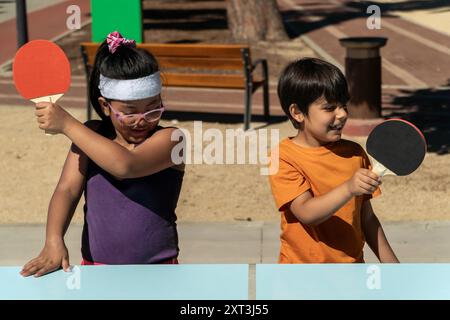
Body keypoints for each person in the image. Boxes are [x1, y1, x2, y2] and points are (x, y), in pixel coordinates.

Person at [21, 31, 185, 277]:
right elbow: (67, 189)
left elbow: (126, 166)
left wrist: (67, 124)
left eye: (153, 110)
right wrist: (53, 240)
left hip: (159, 271)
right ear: (106, 106)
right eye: (130, 112)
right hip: (97, 270)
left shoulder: (172, 140)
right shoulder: (91, 134)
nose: (142, 121)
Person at [269, 57, 399, 263]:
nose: (342, 114)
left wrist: (395, 269)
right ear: (298, 112)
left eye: (343, 105)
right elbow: (306, 213)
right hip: (300, 278)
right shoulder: (283, 157)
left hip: (351, 273)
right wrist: (348, 188)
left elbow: (367, 219)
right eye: (329, 108)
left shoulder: (355, 153)